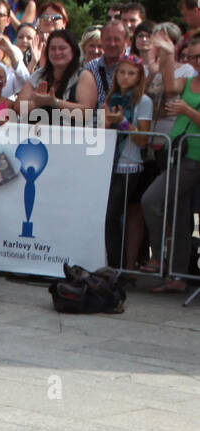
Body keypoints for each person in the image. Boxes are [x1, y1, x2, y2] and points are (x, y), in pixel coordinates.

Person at [141, 30, 200, 291]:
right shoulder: (191, 81)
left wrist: (187, 110)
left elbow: (183, 107)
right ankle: (178, 276)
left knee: (151, 200)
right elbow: (169, 87)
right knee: (178, 213)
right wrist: (166, 55)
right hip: (177, 151)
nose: (196, 62)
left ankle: (161, 257)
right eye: (193, 57)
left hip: (193, 156)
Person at [102, 51, 151, 269]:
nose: (125, 77)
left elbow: (142, 140)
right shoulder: (110, 98)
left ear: (139, 77)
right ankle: (114, 263)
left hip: (129, 165)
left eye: (131, 73)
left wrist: (122, 122)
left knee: (113, 215)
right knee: (109, 216)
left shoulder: (144, 101)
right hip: (109, 163)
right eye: (121, 72)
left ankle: (119, 266)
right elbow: (102, 132)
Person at [20, 28, 84, 111]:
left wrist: (54, 102)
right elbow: (18, 107)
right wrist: (35, 103)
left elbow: (87, 112)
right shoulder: (40, 74)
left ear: (73, 51)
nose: (57, 52)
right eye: (53, 49)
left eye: (62, 48)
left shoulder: (83, 75)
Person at [76, 18, 128, 109]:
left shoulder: (135, 66)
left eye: (117, 39)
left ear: (126, 42)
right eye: (108, 39)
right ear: (102, 40)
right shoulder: (91, 67)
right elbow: (86, 109)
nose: (112, 44)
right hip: (98, 121)